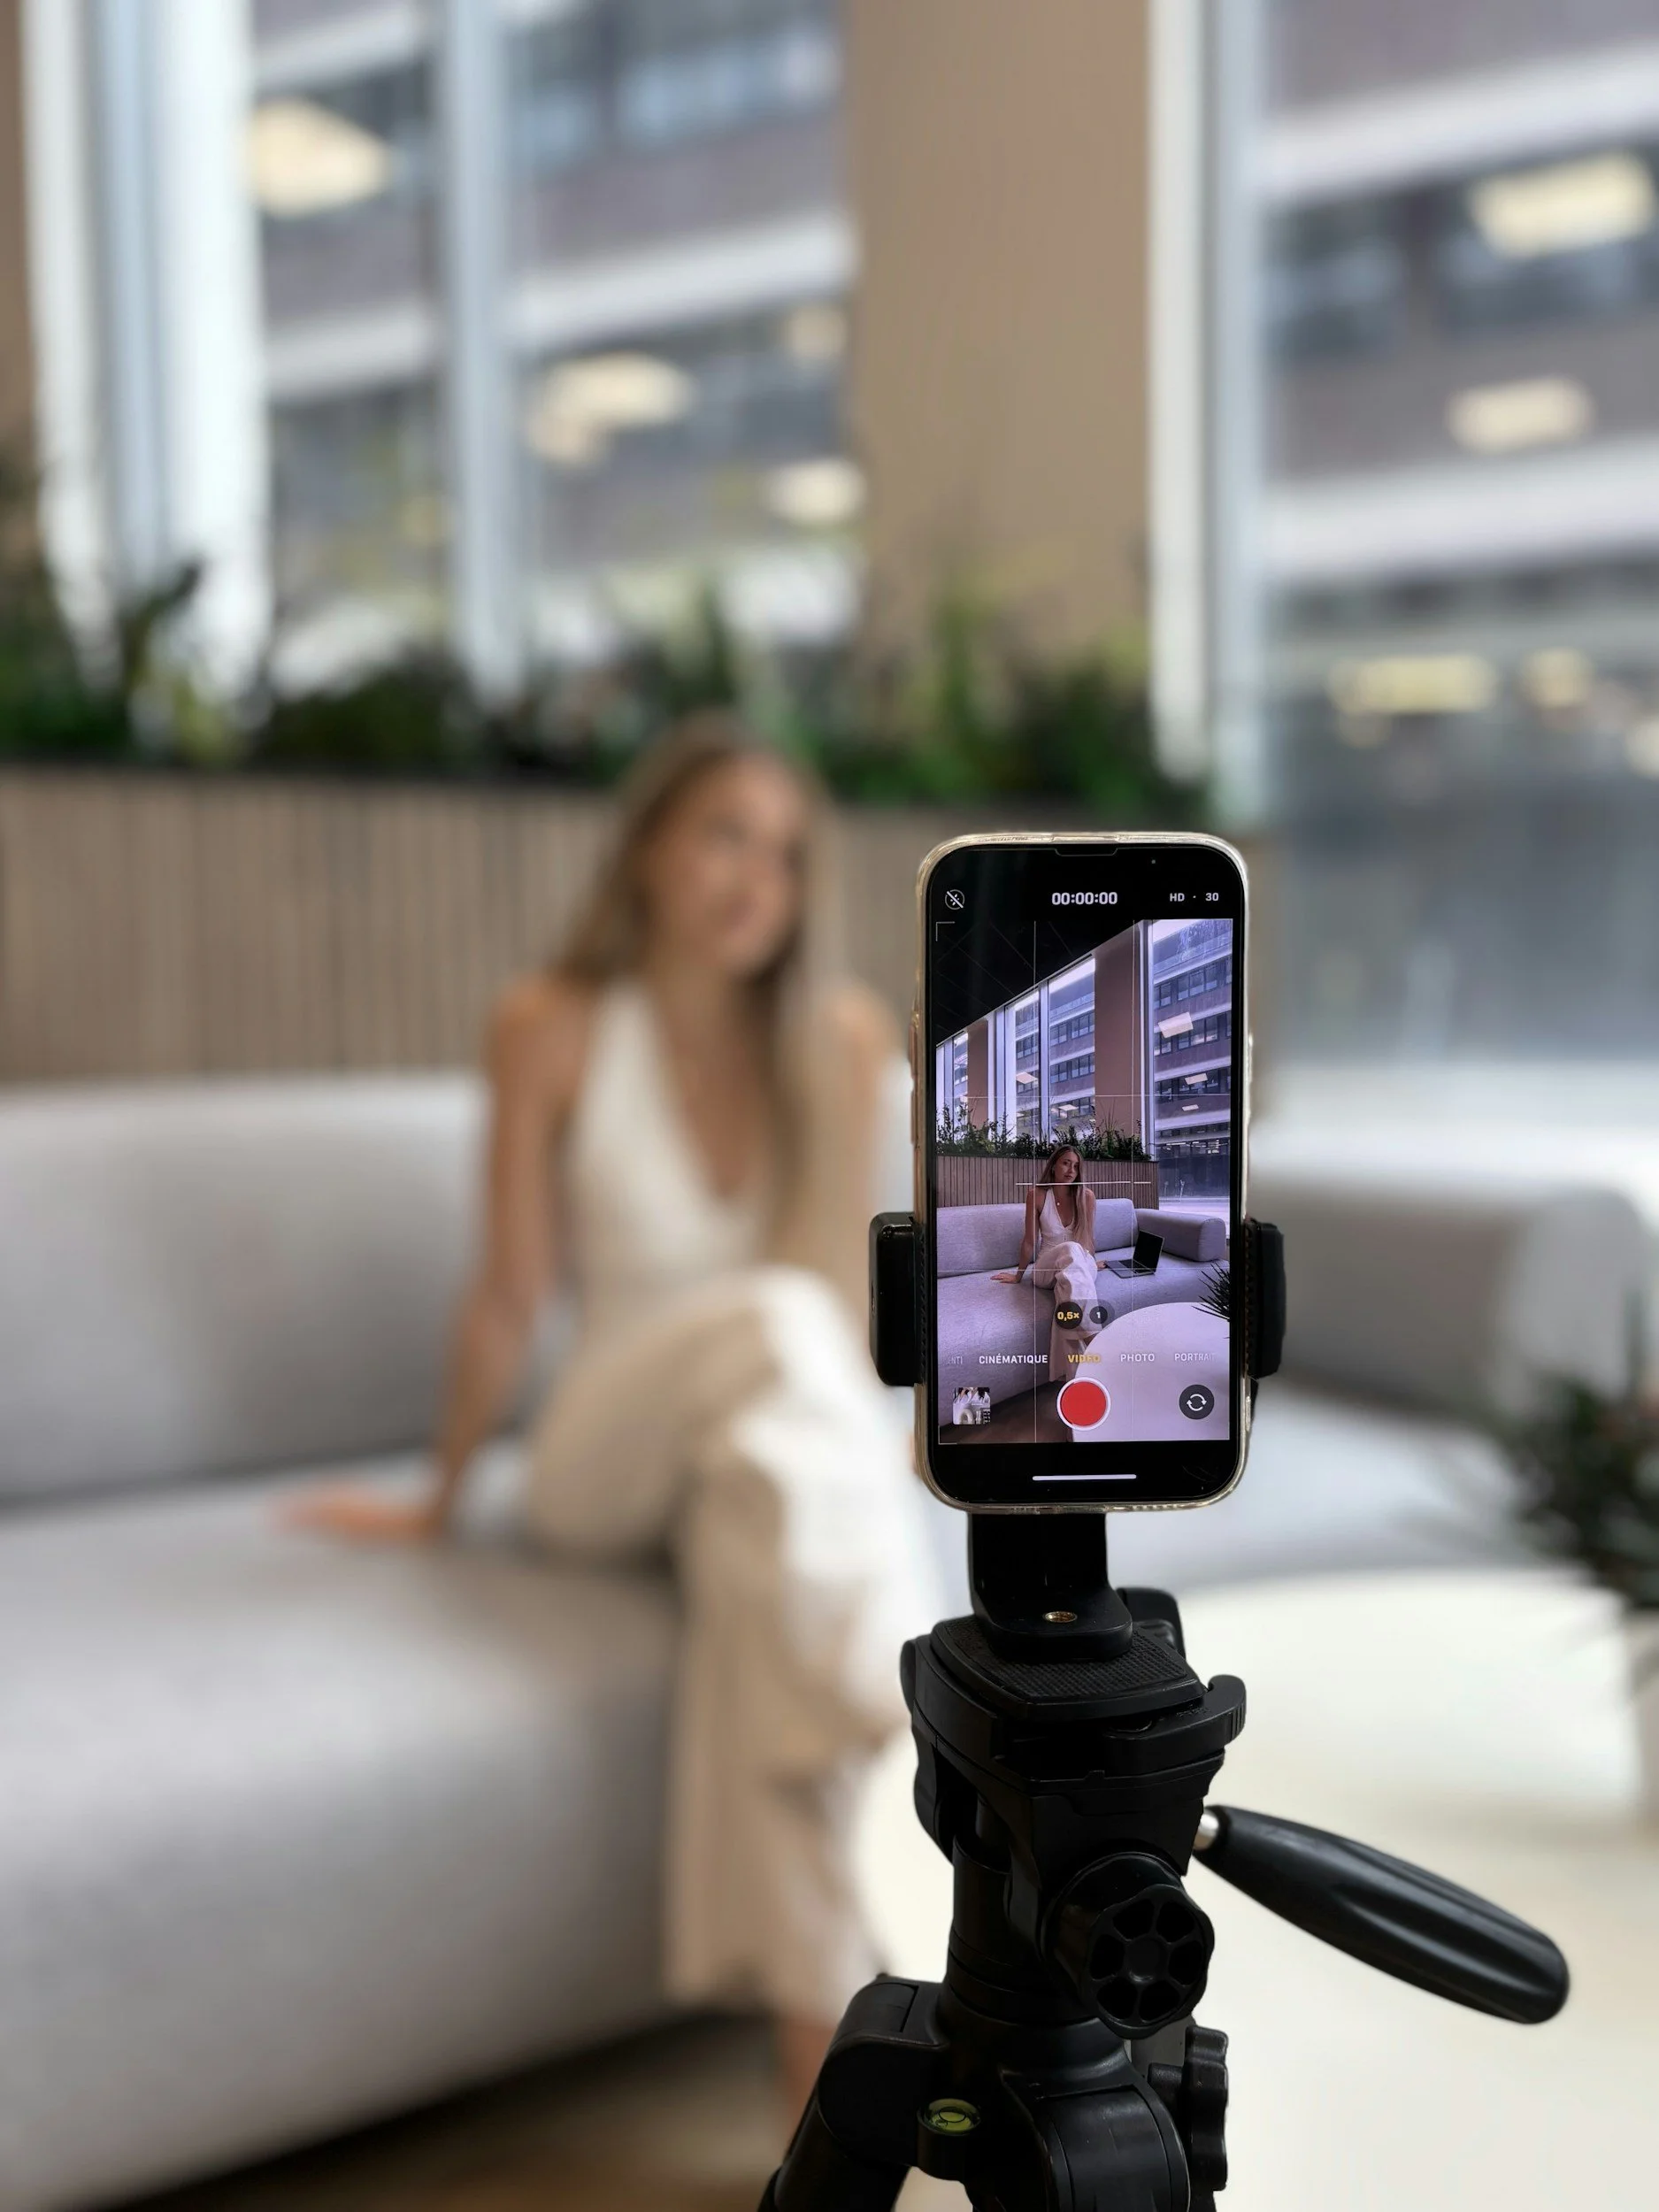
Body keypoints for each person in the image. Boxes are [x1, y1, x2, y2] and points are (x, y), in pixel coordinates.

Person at [290, 715, 938, 2118]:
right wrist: (437, 1496)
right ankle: (901, 1692)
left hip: (763, 1451)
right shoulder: (554, 1026)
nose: (751, 875)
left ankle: (821, 2084)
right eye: (721, 833)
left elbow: (849, 1300)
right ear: (646, 847)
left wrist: (888, 1435)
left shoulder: (836, 1043)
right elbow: (509, 1297)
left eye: (781, 851)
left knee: (757, 1554)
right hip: (599, 1448)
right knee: (769, 1325)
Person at [993, 1141, 1102, 1379]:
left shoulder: (1087, 1197)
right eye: (1065, 1163)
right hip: (1046, 1267)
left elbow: (1088, 1241)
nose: (1071, 1170)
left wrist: (1092, 1263)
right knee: (1070, 1250)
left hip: (1079, 1262)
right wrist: (1018, 1275)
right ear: (1053, 1166)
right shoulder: (1038, 1195)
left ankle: (1075, 1380)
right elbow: (1030, 1241)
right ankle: (1096, 1338)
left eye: (1075, 1166)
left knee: (1068, 1288)